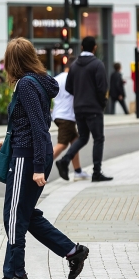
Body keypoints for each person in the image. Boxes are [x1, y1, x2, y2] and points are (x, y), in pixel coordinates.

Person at [0, 38, 88, 279]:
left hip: (28, 158)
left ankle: (15, 274)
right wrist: (7, 142)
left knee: (13, 217)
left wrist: (38, 167)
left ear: (13, 62)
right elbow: (30, 122)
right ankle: (72, 251)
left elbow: (38, 127)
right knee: (26, 216)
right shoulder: (39, 82)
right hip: (26, 152)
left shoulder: (25, 85)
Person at [55, 36, 113, 182]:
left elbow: (69, 87)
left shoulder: (74, 66)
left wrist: (80, 95)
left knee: (83, 137)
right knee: (98, 138)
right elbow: (102, 88)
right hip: (93, 108)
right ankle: (96, 172)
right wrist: (102, 104)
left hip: (78, 108)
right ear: (94, 48)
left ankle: (65, 160)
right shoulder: (97, 64)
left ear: (81, 47)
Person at [52, 63, 88, 181]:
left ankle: (77, 171)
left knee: (75, 141)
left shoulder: (56, 79)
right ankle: (39, 168)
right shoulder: (73, 78)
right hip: (66, 116)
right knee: (62, 144)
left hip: (58, 114)